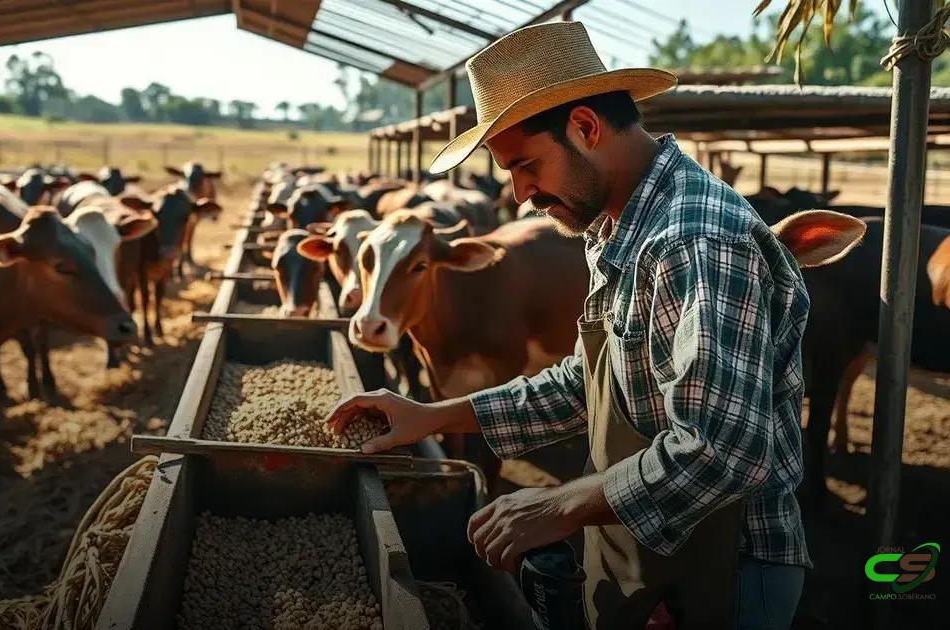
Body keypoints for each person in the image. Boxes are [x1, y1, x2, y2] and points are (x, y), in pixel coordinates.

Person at [326, 21, 809, 630]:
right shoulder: (615, 224)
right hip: (651, 547)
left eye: (526, 165)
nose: (519, 193)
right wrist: (433, 416)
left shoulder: (694, 241)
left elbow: (723, 451)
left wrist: (559, 504)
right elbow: (592, 382)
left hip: (723, 569)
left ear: (585, 127)